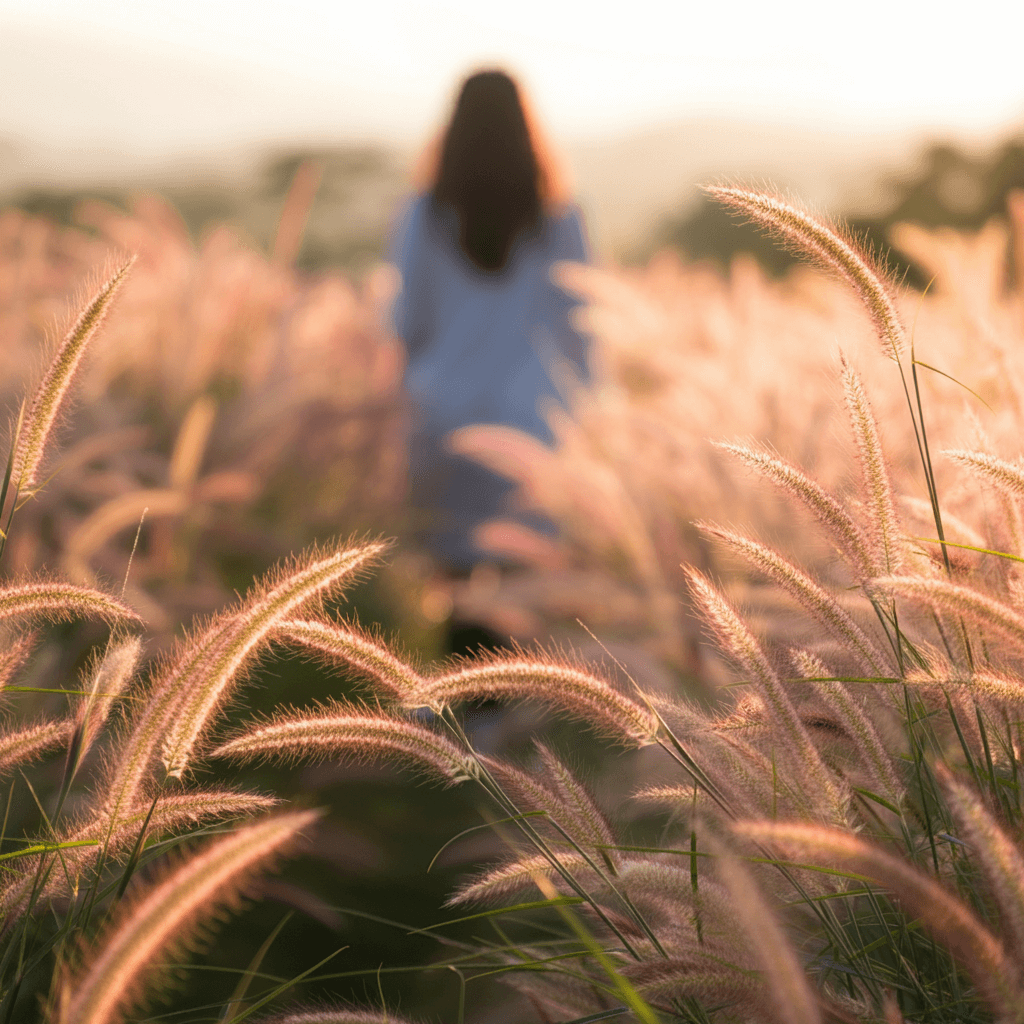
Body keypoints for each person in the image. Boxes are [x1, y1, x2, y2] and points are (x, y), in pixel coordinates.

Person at [388, 69, 592, 578]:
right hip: (535, 420)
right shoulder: (560, 219)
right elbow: (581, 330)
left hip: (442, 414)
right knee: (524, 584)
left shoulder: (423, 215)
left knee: (452, 584)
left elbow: (408, 323)